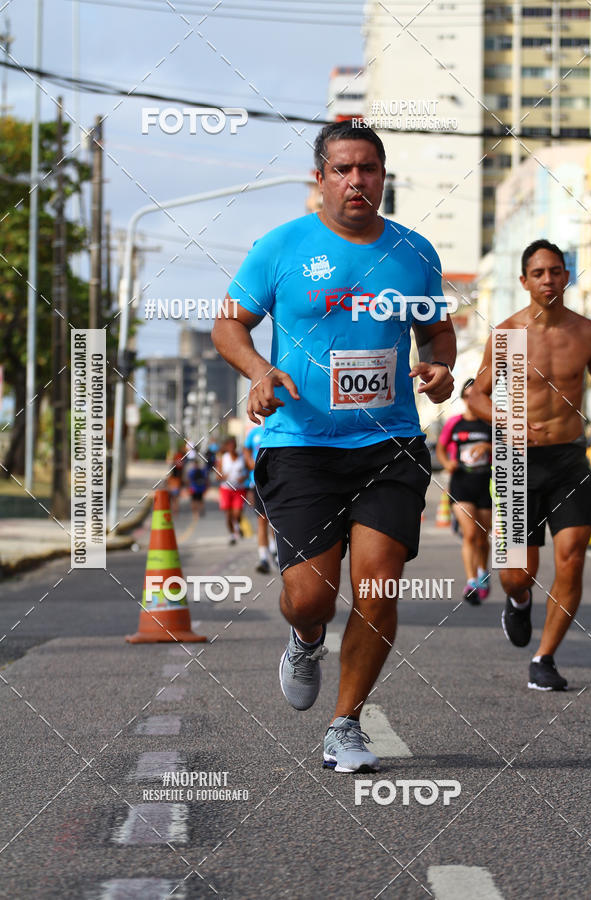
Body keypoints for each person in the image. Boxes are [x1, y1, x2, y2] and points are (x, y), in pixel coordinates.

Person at [212, 121, 455, 772]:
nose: (357, 181)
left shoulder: (414, 251)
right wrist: (260, 373)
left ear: (383, 176)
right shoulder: (280, 247)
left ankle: (345, 724)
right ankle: (305, 635)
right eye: (343, 169)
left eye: (369, 168)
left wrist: (440, 371)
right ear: (318, 178)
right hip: (300, 443)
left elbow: (437, 331)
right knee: (311, 595)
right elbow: (230, 322)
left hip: (390, 443)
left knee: (377, 587)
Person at [469, 239, 591, 691]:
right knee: (517, 574)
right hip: (514, 461)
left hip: (568, 458)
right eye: (539, 273)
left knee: (573, 556)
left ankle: (545, 658)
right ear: (524, 281)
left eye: (556, 271)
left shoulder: (588, 333)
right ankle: (519, 600)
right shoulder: (508, 334)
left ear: (566, 276)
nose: (548, 280)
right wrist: (511, 422)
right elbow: (476, 396)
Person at [436, 379, 492, 604]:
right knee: (469, 534)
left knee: (481, 537)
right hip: (461, 484)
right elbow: (440, 447)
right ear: (463, 399)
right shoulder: (454, 423)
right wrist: (446, 463)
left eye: (475, 396)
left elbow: (506, 448)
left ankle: (483, 572)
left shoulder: (489, 423)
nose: (471, 401)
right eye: (467, 396)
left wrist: (488, 447)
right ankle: (471, 581)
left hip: (484, 485)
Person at [244, 424, 278, 574]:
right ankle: (263, 558)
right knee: (261, 519)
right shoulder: (254, 433)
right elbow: (246, 450)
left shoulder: (277, 429)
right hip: (257, 482)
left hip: (275, 482)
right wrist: (251, 464)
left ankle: (276, 552)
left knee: (275, 520)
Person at [216, 437, 248, 545]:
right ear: (226, 447)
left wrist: (243, 478)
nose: (231, 447)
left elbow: (247, 472)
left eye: (233, 445)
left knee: (237, 513)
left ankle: (237, 526)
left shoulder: (241, 458)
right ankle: (232, 535)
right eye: (229, 445)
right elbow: (217, 476)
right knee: (229, 515)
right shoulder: (223, 459)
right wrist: (222, 476)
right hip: (226, 489)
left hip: (239, 489)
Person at [166, 443, 186, 514]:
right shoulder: (179, 456)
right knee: (174, 496)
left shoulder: (180, 457)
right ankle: (174, 509)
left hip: (176, 479)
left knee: (175, 496)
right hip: (175, 479)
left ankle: (174, 509)